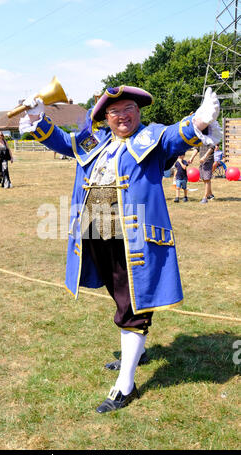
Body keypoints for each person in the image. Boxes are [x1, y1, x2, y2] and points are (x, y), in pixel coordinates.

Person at [19, 85, 221, 413]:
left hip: (134, 235)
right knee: (119, 292)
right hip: (97, 230)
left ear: (138, 111)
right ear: (105, 117)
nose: (122, 115)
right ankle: (136, 351)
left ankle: (125, 384)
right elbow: (62, 142)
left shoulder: (151, 137)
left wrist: (198, 122)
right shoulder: (95, 140)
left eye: (129, 108)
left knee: (133, 301)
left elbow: (174, 138)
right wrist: (36, 118)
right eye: (115, 111)